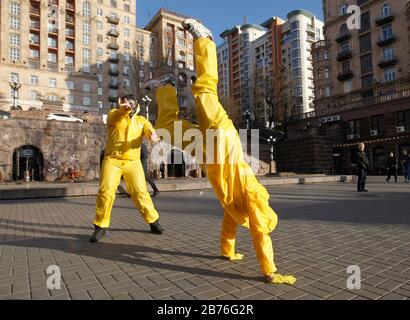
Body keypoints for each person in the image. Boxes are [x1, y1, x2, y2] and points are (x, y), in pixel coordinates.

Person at [144, 19, 295, 285]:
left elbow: (228, 228)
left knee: (166, 129)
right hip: (223, 141)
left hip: (207, 153)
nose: (253, 222)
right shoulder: (254, 199)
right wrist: (270, 272)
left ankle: (166, 86)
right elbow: (261, 235)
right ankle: (206, 41)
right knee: (204, 92)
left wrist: (228, 253)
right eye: (257, 220)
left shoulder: (235, 209)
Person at [90, 95, 163, 243]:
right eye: (125, 103)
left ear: (136, 106)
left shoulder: (141, 121)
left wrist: (153, 135)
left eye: (130, 103)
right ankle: (100, 226)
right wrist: (122, 110)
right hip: (112, 160)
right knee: (106, 191)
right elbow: (116, 117)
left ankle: (153, 221)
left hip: (133, 162)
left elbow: (149, 130)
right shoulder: (113, 115)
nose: (128, 105)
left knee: (140, 192)